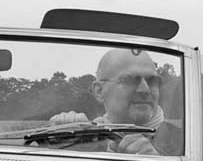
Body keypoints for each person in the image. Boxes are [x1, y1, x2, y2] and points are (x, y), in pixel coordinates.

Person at [49, 48, 183, 155]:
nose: (145, 90)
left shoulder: (186, 143)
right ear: (99, 91)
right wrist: (59, 145)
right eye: (130, 80)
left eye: (152, 81)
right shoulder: (83, 139)